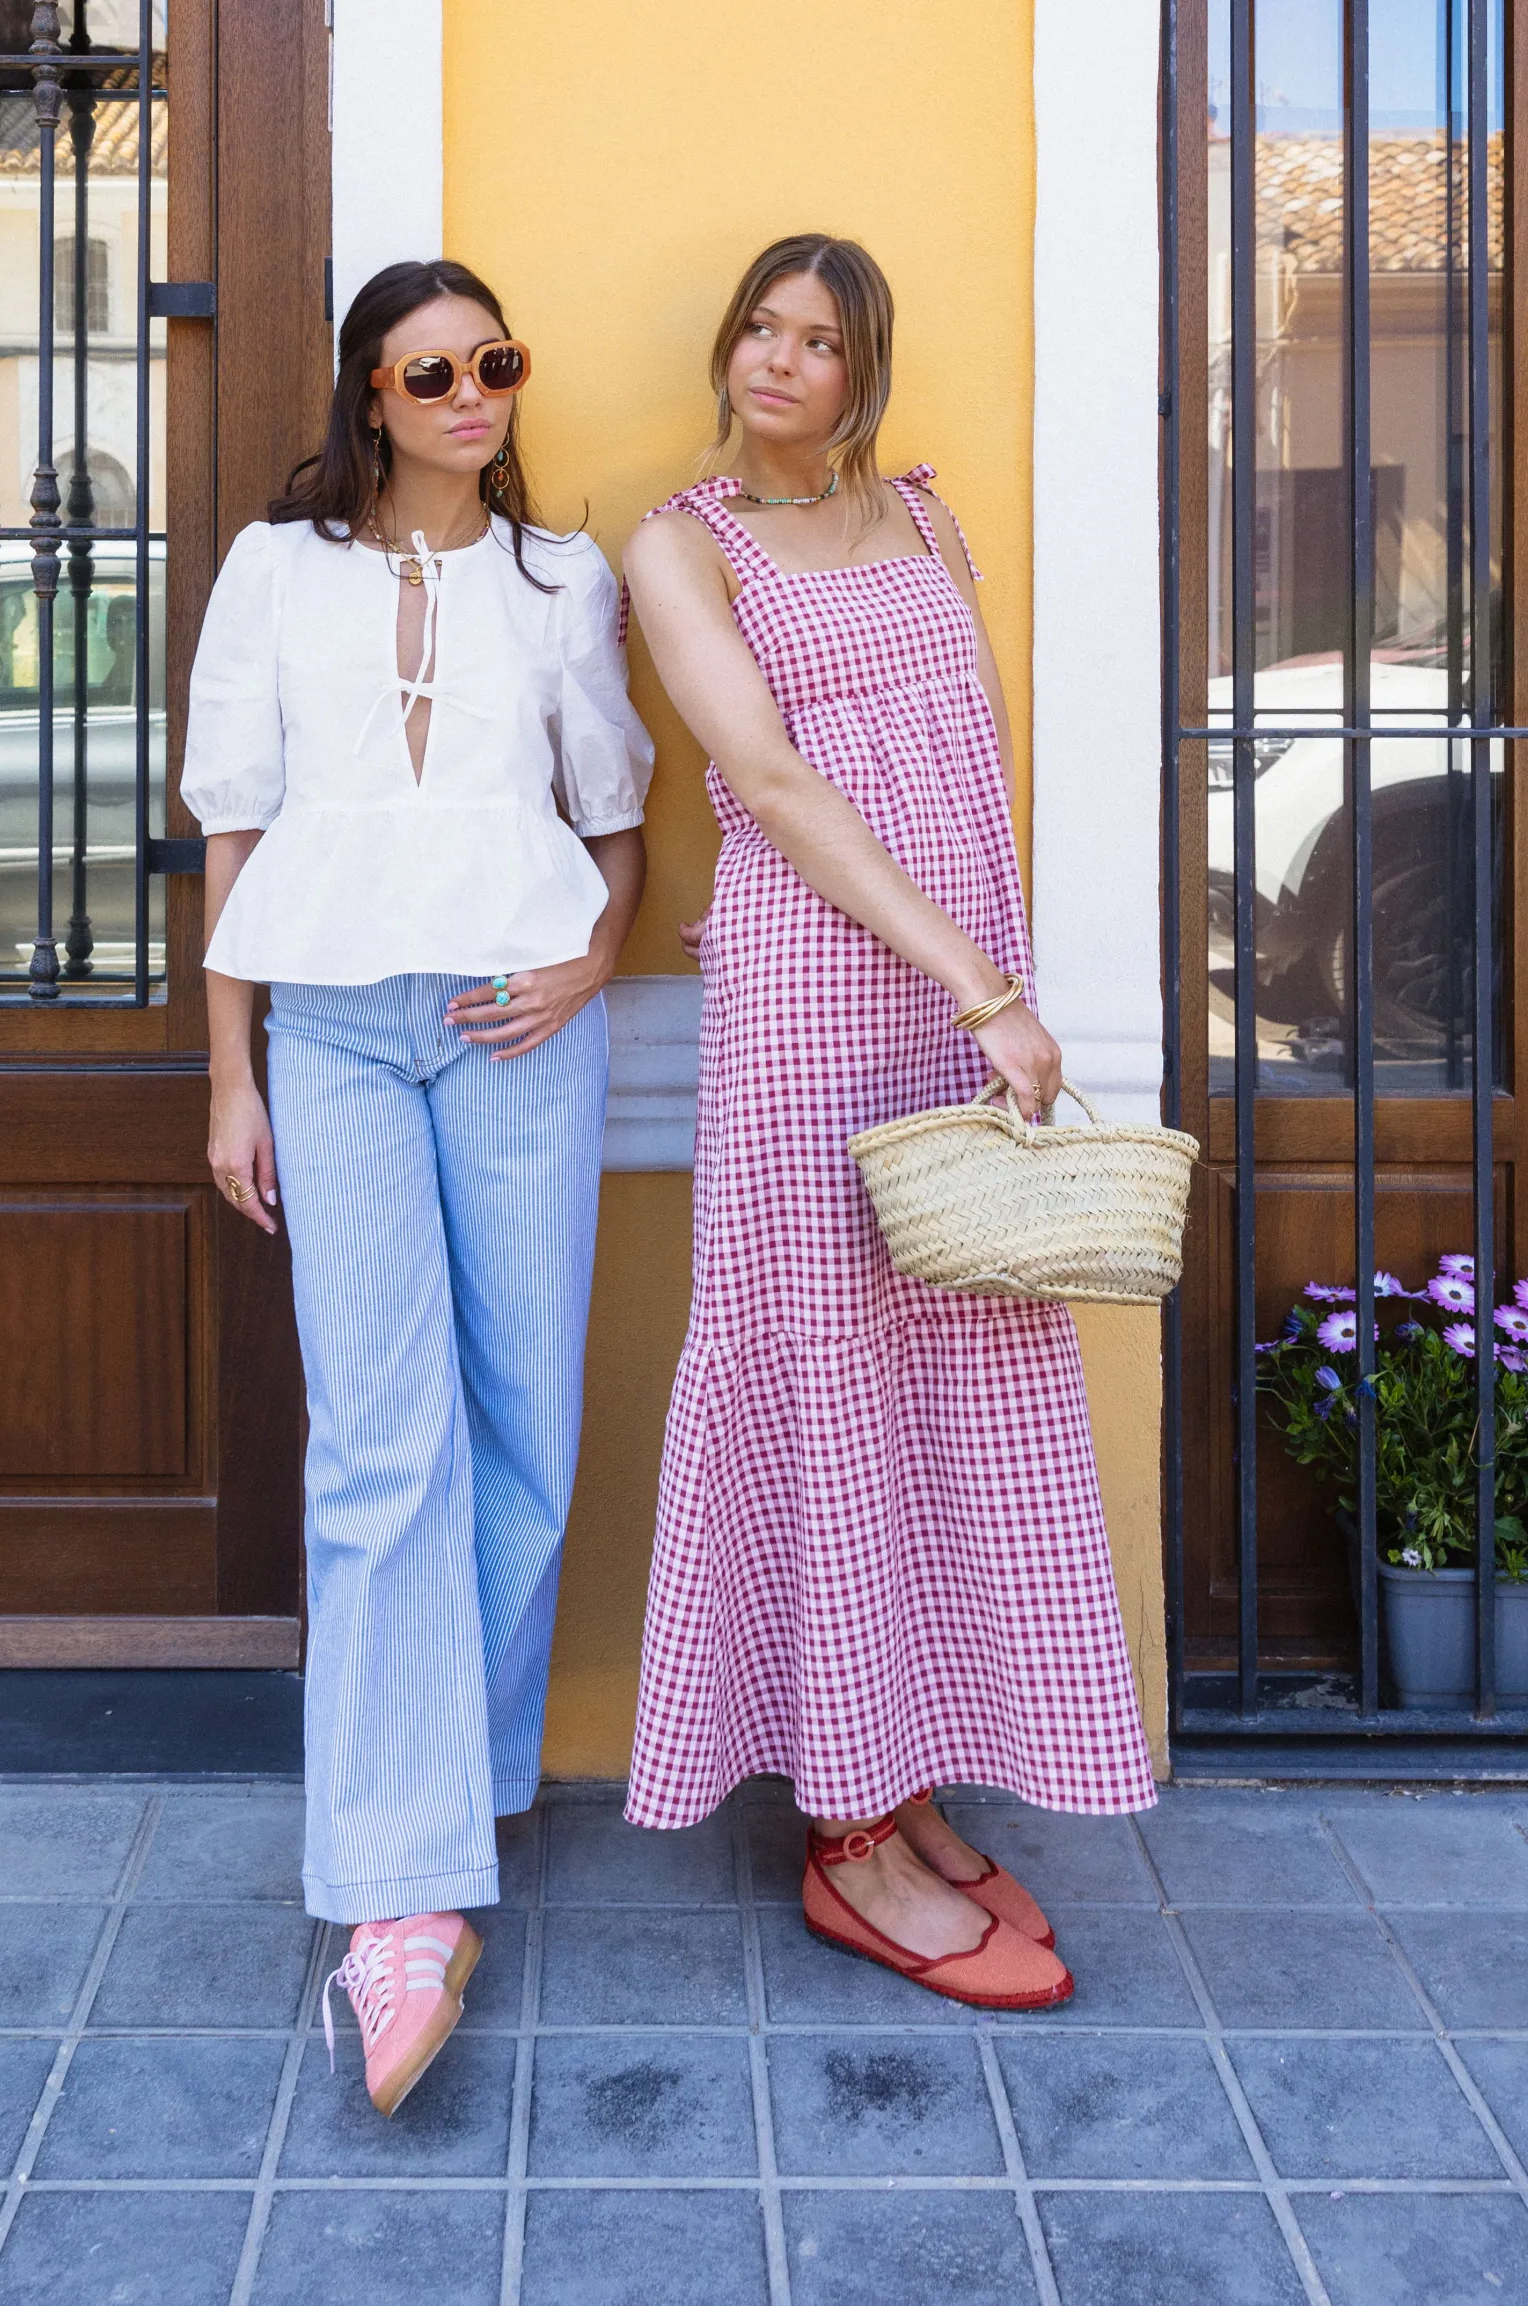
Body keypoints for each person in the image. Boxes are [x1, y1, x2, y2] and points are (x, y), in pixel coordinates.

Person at [622, 232, 1154, 2012]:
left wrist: (994, 975)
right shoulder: (682, 545)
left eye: (820, 341)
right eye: (759, 328)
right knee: (826, 1368)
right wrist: (979, 985)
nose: (779, 361)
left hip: (954, 983)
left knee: (949, 1365)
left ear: (865, 374)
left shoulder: (928, 523)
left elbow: (973, 752)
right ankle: (845, 1838)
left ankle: (901, 1777)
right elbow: (769, 780)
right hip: (814, 996)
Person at [182, 259, 652, 2112]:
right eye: (432, 371)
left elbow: (616, 817)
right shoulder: (269, 568)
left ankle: (465, 1783)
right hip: (336, 1030)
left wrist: (593, 962)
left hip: (521, 1019)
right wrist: (229, 1070)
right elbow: (233, 818)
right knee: (382, 1440)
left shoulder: (562, 583)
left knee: (524, 1423)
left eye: (496, 364)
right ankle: (403, 1890)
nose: (473, 394)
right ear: (369, 396)